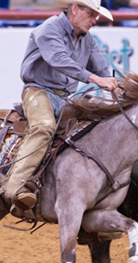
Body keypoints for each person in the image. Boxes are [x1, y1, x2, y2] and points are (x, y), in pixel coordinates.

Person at [4, 0, 119, 217]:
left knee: (93, 130)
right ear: (75, 9)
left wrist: (118, 87)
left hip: (66, 98)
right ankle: (14, 188)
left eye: (97, 15)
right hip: (38, 91)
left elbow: (102, 68)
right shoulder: (49, 28)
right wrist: (94, 79)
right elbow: (58, 59)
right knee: (44, 126)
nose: (95, 20)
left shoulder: (87, 39)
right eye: (92, 14)